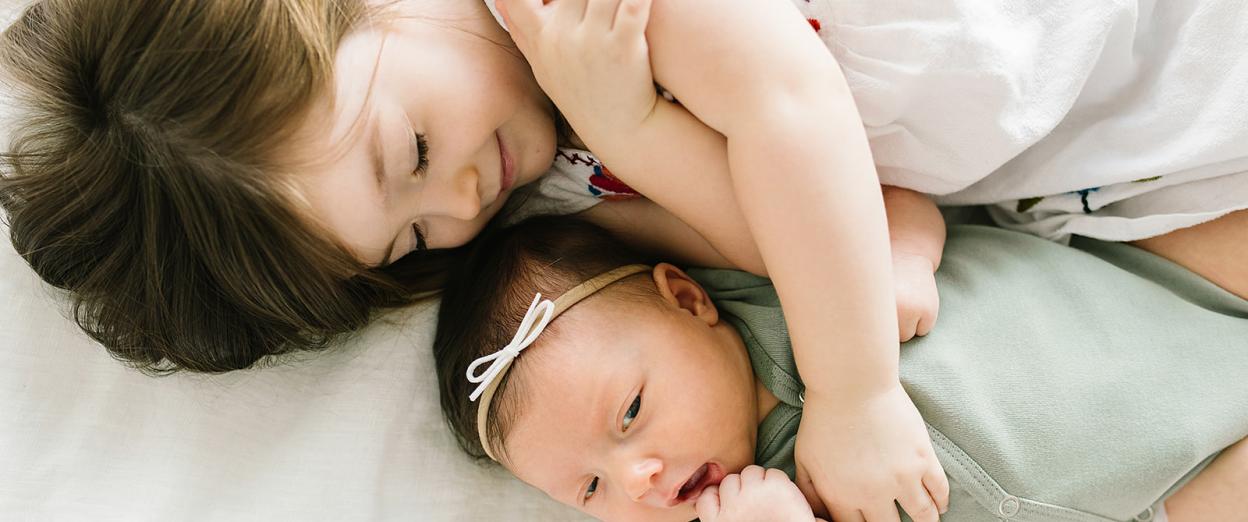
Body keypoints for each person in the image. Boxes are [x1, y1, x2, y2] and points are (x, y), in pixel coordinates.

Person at [433, 215, 1248, 522]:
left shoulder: (768, 276)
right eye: (590, 492)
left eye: (631, 412)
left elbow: (877, 198)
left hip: (1136, 289)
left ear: (685, 300)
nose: (638, 476)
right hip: (1162, 495)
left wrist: (901, 260)